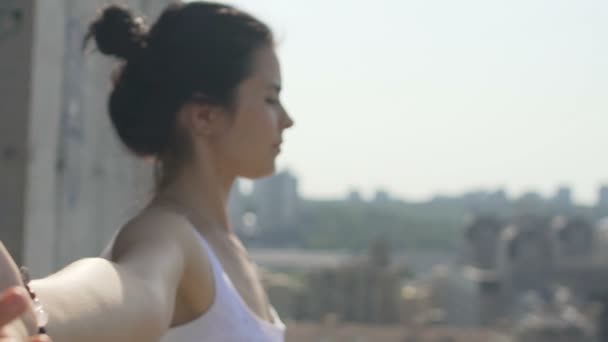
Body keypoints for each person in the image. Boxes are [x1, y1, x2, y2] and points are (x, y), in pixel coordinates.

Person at [0, 1, 293, 341]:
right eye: (271, 98)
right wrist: (22, 319)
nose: (287, 120)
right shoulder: (168, 235)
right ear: (204, 116)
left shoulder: (226, 246)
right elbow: (126, 287)